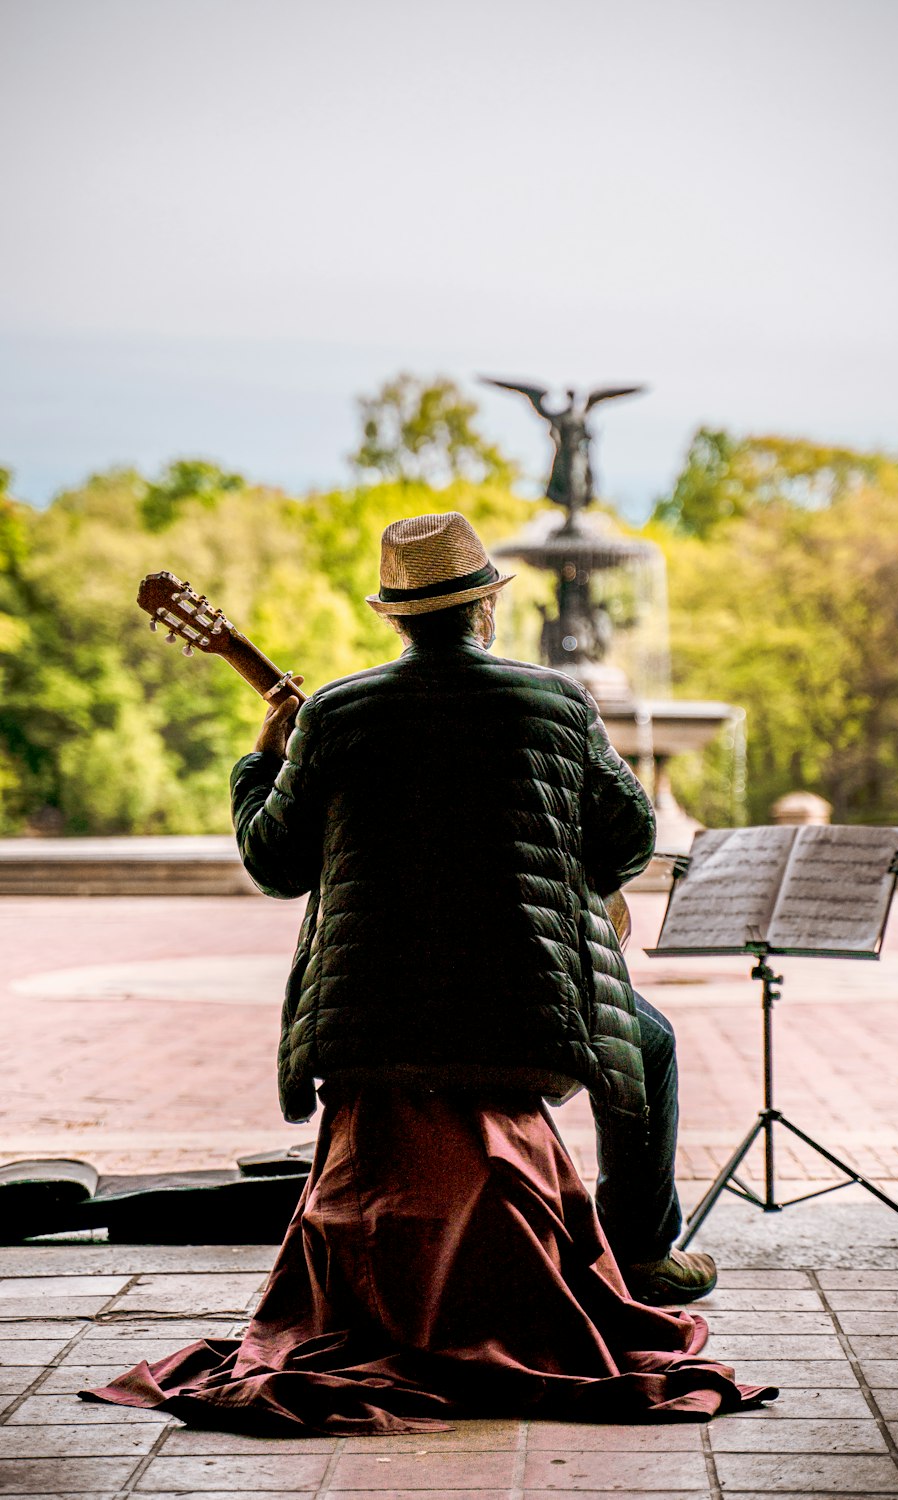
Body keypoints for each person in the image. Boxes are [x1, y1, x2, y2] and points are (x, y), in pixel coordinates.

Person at [81, 512, 772, 1433]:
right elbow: (633, 838)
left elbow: (276, 865)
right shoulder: (559, 703)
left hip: (371, 1028)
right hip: (527, 1023)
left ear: (397, 618)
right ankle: (643, 1251)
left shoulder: (332, 713)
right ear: (484, 606)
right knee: (646, 1041)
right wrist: (576, 881)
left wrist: (261, 757)